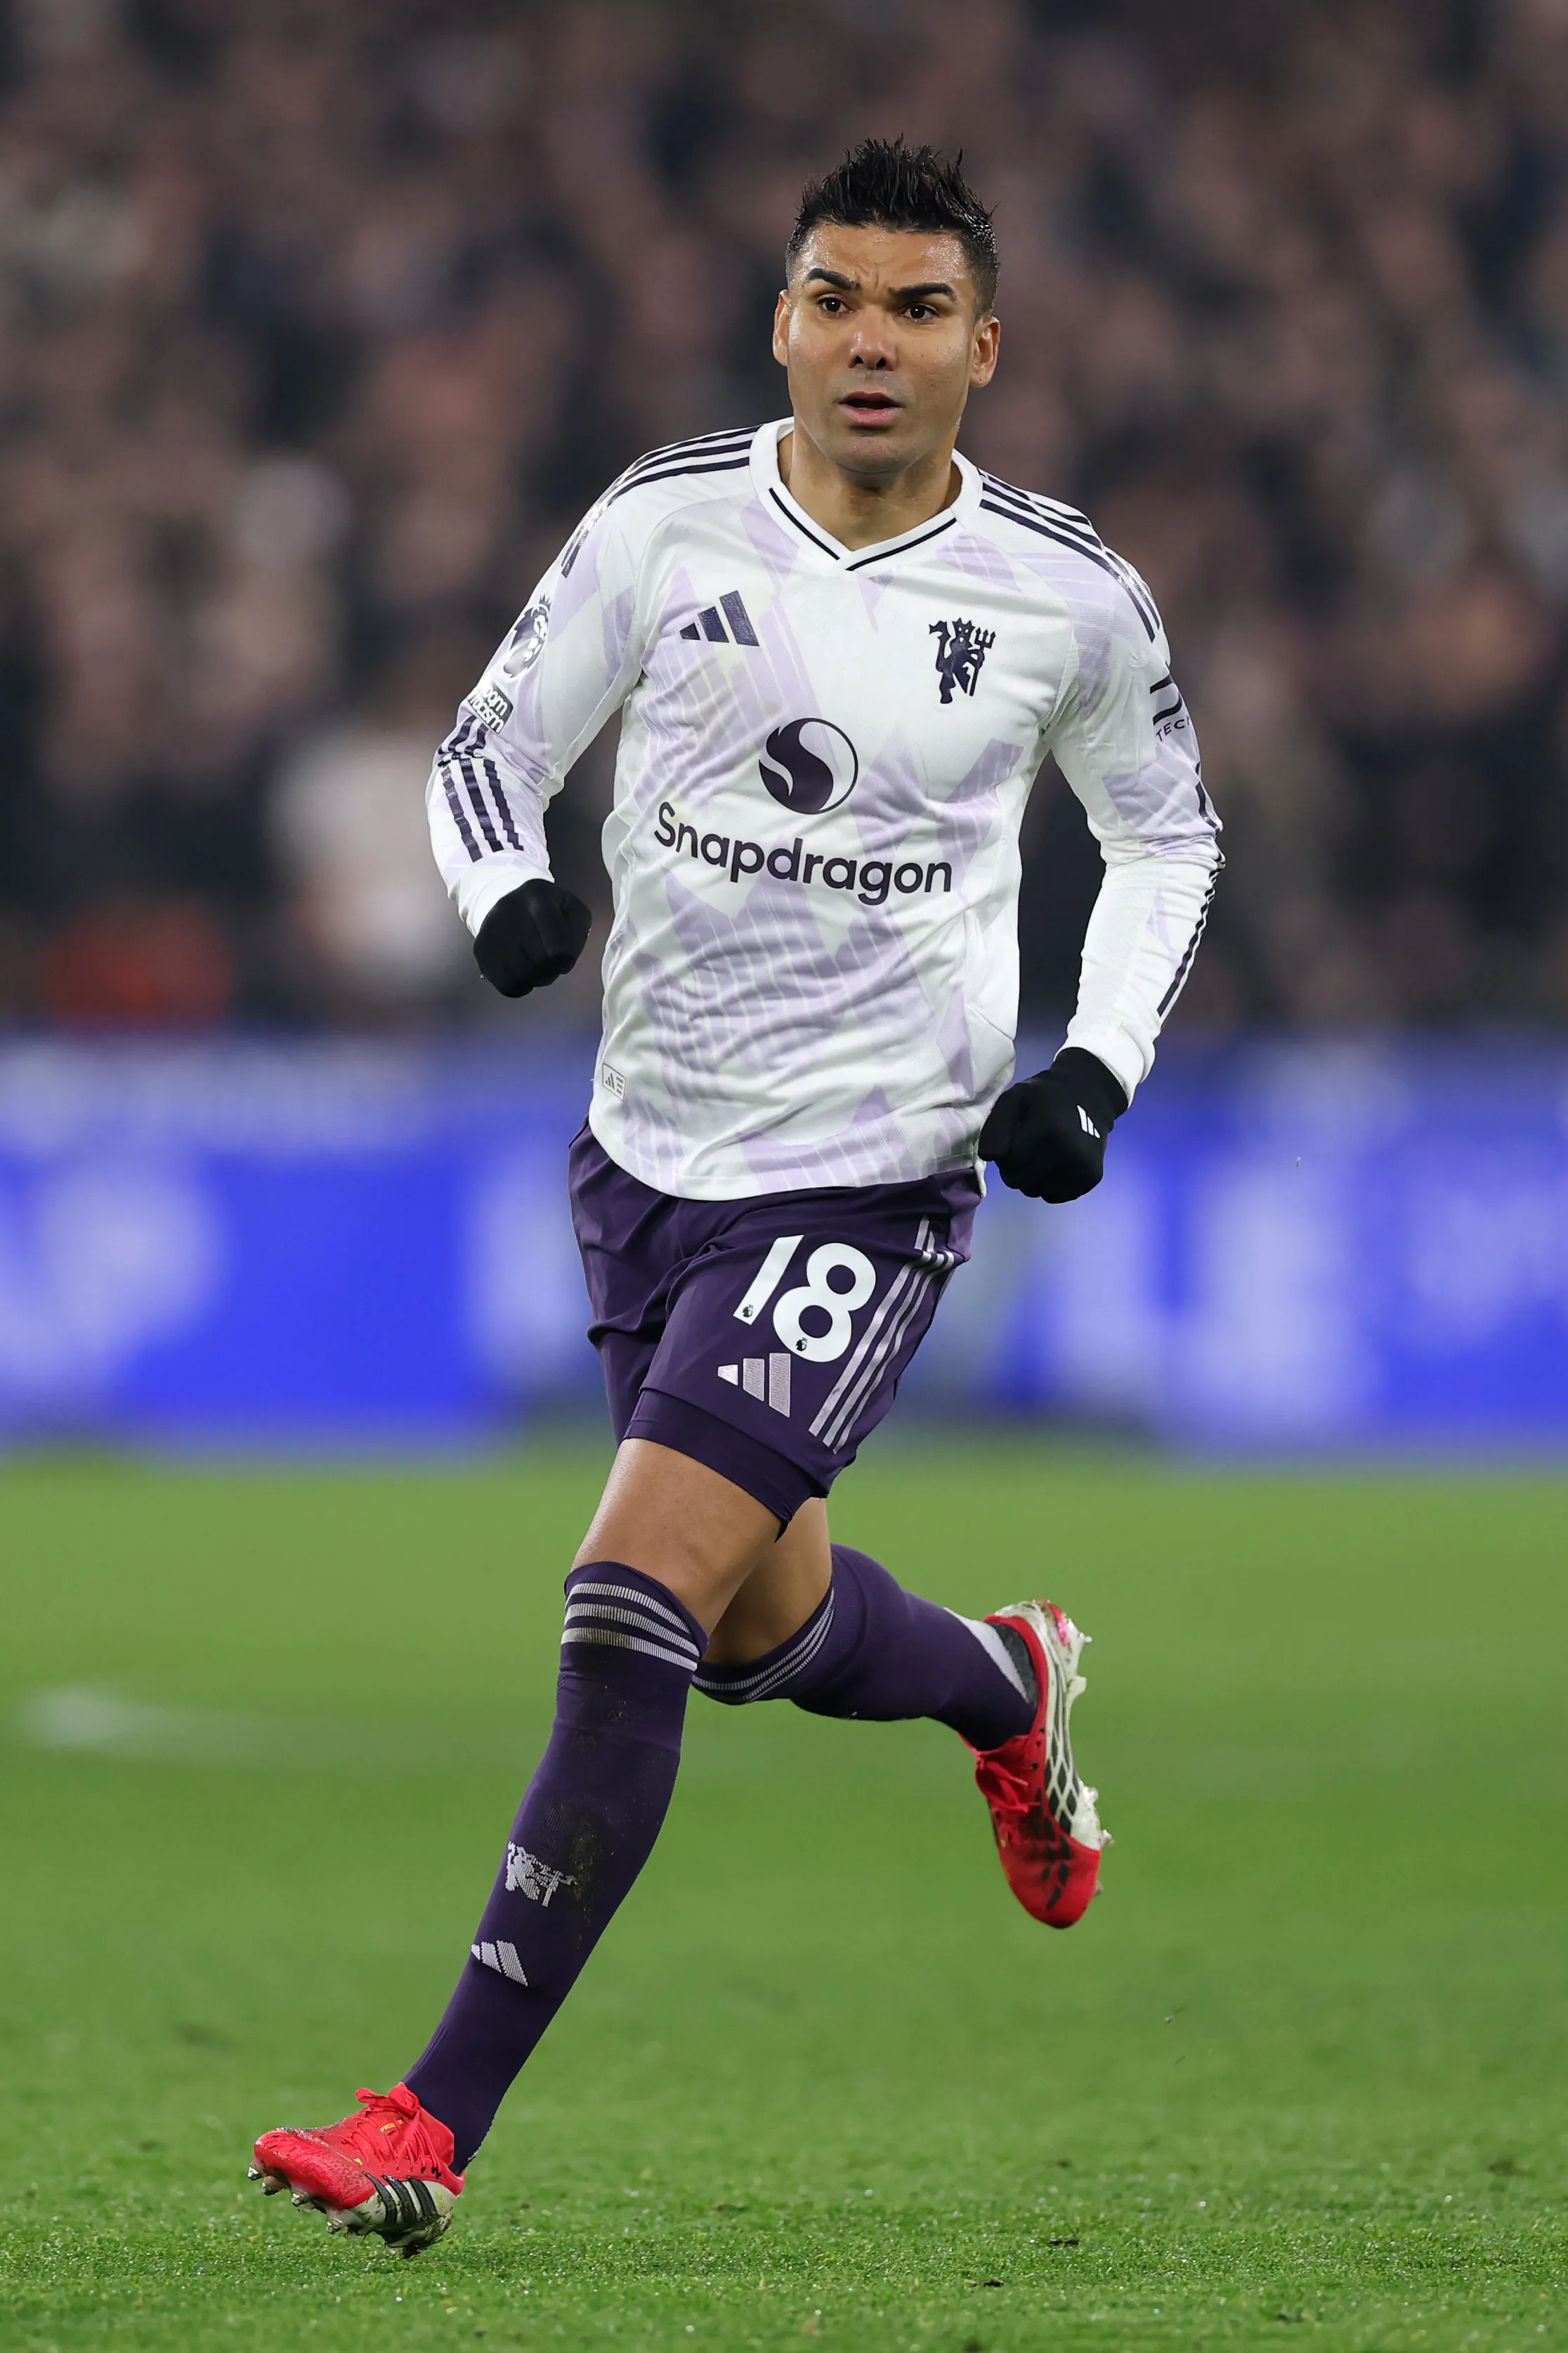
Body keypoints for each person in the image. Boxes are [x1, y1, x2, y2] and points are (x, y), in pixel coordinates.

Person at [249, 138, 1220, 2257]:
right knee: (767, 1630)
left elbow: (1170, 839)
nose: (872, 343)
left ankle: (425, 2123)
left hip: (868, 1179)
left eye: (916, 309)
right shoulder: (663, 521)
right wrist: (504, 893)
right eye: (834, 300)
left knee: (628, 1609)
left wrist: (1095, 1062)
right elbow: (488, 750)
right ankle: (1007, 1685)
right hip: (645, 1159)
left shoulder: (1065, 595)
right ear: (783, 320)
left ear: (984, 346)